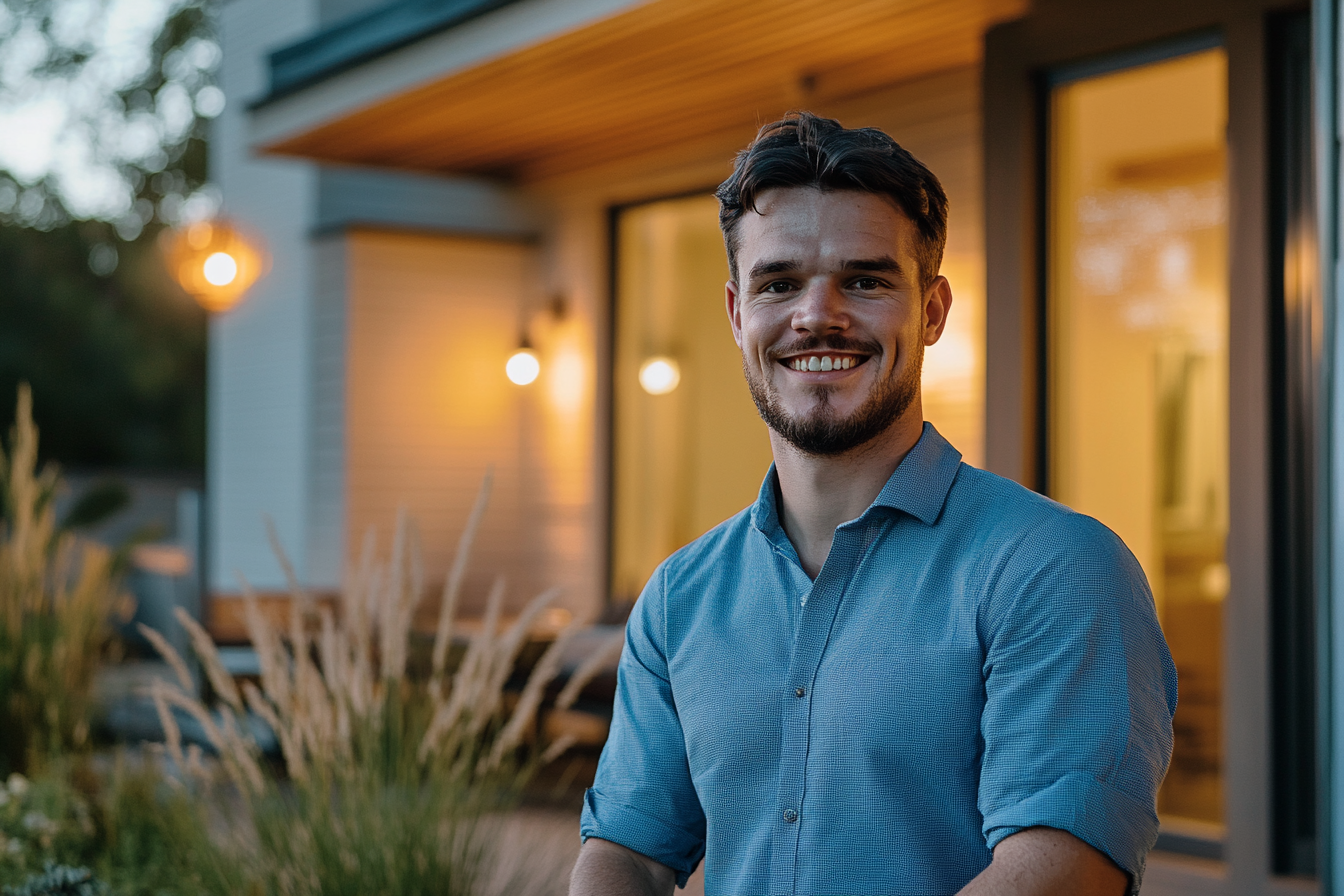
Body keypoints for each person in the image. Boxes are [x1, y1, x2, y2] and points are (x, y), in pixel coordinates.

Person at [570, 112, 1176, 896]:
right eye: (779, 283)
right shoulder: (680, 597)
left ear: (931, 312)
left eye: (865, 279)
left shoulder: (1054, 567)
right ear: (736, 315)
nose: (817, 314)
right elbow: (625, 851)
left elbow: (1061, 867)